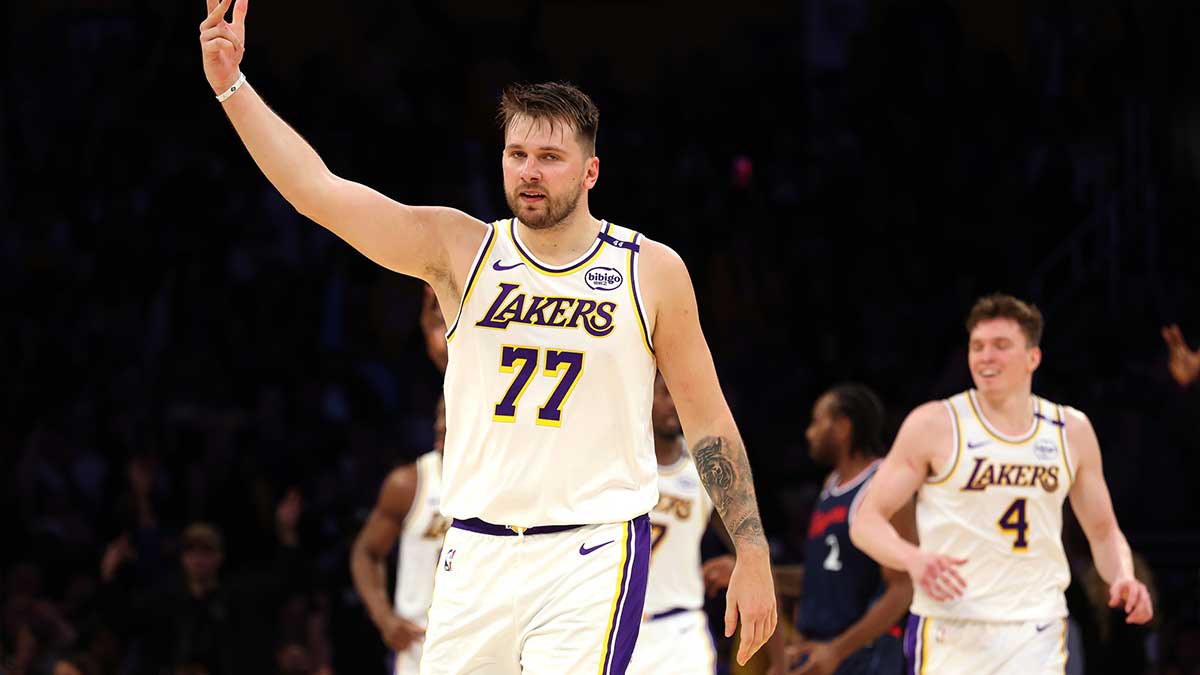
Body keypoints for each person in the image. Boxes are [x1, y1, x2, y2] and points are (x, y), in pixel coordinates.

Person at [198, 1, 776, 672]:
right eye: (517, 154)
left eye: (550, 157)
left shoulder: (649, 269)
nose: (529, 170)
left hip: (590, 552)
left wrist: (753, 548)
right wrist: (230, 86)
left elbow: (708, 419)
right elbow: (316, 192)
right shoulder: (460, 249)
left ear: (590, 172)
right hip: (472, 549)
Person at [849, 294, 1153, 673]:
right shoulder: (935, 424)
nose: (985, 356)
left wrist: (1123, 576)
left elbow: (1104, 531)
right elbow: (865, 520)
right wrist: (914, 559)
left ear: (1033, 358)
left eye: (1000, 346)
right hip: (952, 628)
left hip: (1035, 627)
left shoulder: (1070, 430)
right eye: (977, 346)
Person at [768, 384, 915, 675]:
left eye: (817, 421)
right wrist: (757, 574)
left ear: (843, 427)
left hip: (865, 656)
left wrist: (837, 650)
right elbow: (823, 578)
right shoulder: (830, 486)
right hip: (821, 652)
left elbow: (903, 588)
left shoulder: (883, 483)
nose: (809, 433)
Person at [627, 374, 728, 674]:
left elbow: (751, 546)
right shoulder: (618, 461)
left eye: (679, 395)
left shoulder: (707, 467)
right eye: (663, 394)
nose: (673, 404)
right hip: (615, 626)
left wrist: (739, 562)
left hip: (680, 631)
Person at [350, 397, 450, 674]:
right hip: (418, 646)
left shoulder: (498, 486)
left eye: (452, 414)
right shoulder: (409, 483)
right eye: (438, 415)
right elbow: (365, 553)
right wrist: (384, 617)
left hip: (479, 643)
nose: (440, 425)